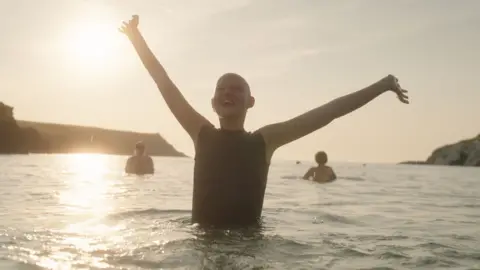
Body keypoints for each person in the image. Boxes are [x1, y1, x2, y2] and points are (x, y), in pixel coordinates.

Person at [119, 15, 409, 228]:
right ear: (212, 103)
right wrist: (136, 39)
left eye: (236, 89)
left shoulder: (265, 140)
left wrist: (381, 85)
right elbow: (164, 82)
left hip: (249, 246)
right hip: (203, 244)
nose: (227, 93)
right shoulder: (201, 132)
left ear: (250, 102)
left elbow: (329, 111)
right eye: (221, 89)